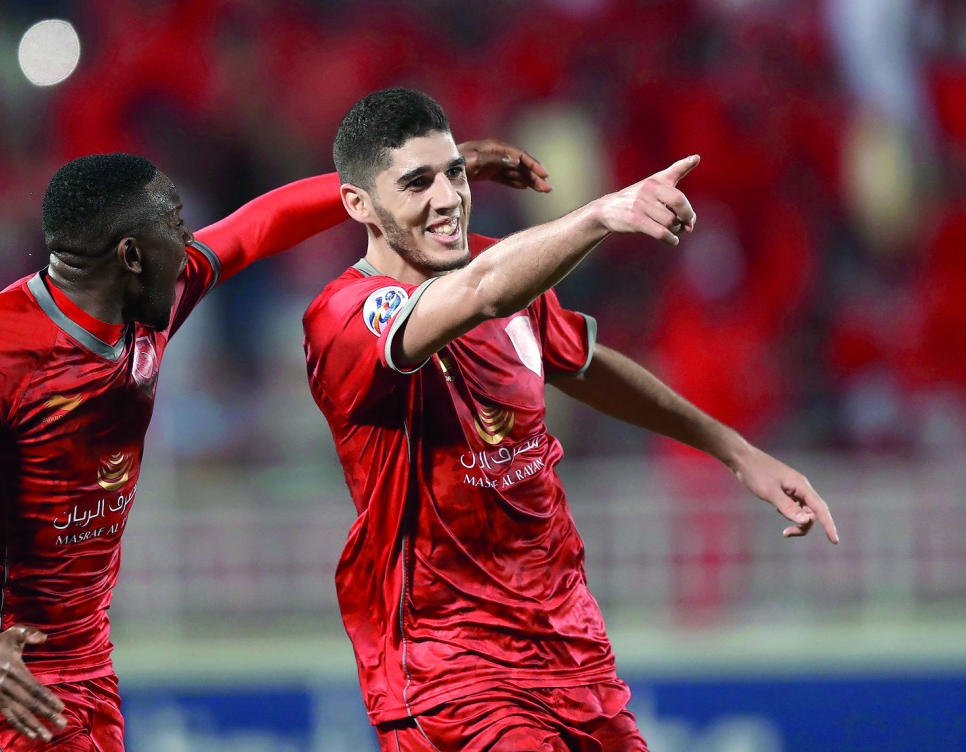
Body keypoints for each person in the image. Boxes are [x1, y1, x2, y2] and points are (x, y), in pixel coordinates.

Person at [0, 144, 547, 751]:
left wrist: (398, 187)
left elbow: (255, 228)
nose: (190, 240)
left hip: (82, 660)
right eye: (174, 226)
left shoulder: (149, 305)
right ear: (129, 254)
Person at [302, 88, 839, 751]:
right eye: (417, 183)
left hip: (572, 652)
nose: (447, 199)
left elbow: (582, 364)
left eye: (454, 173)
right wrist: (602, 215)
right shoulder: (349, 317)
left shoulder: (502, 269)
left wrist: (736, 451)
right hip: (451, 673)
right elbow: (480, 293)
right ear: (360, 205)